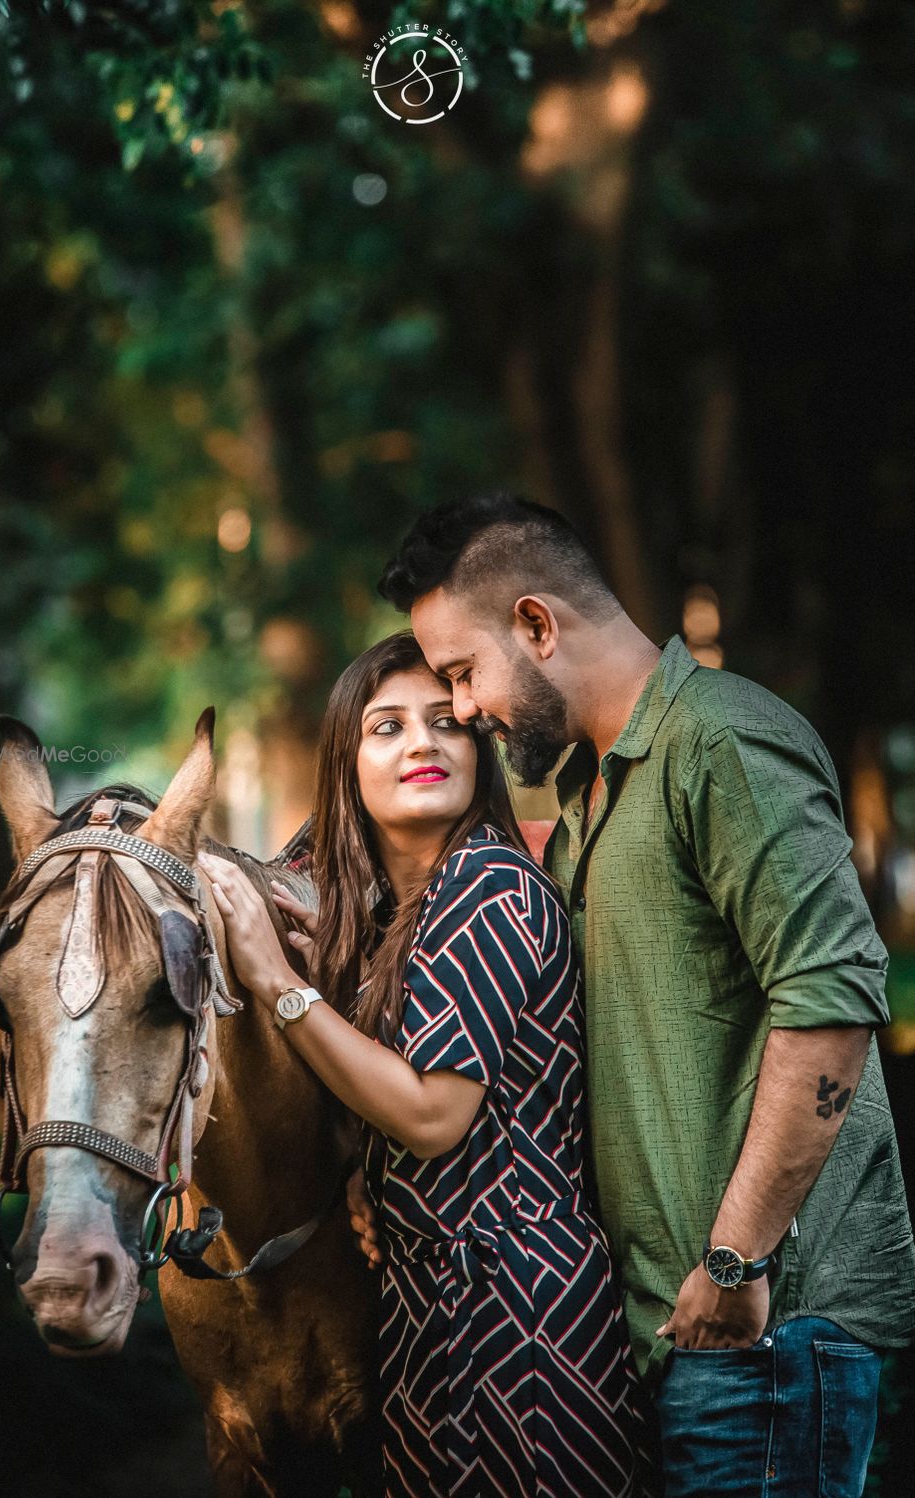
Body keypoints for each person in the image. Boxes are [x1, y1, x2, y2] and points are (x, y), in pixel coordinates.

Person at [370, 493, 915, 1498]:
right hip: (681, 1333)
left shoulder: (721, 741)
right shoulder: (590, 800)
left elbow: (831, 1004)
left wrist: (736, 1259)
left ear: (536, 623)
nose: (464, 709)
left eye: (461, 672)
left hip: (764, 1333)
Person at [198, 631, 652, 1498]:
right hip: (423, 1306)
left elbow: (431, 1118)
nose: (422, 744)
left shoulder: (489, 888)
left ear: (480, 749)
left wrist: (277, 982)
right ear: (347, 762)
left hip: (523, 1310)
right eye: (387, 726)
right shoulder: (398, 908)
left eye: (447, 722)